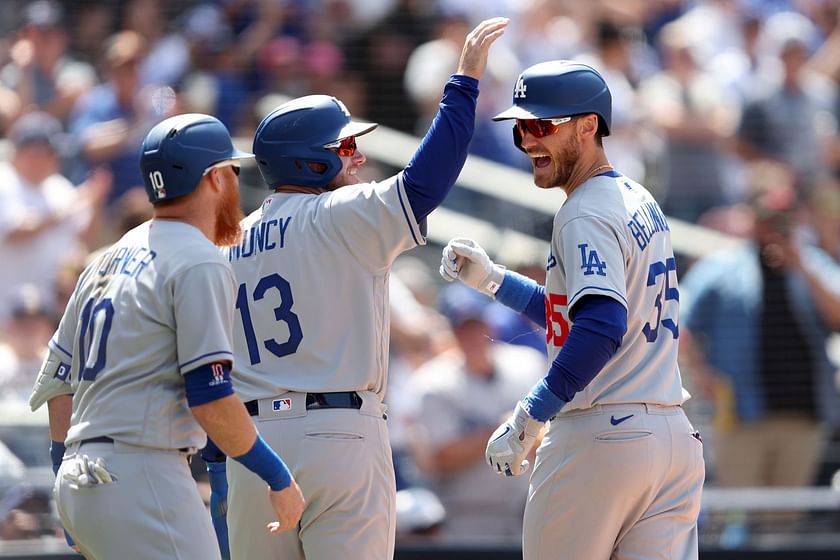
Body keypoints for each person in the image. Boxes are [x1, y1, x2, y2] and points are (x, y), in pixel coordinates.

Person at [213, 17, 508, 560]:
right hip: (338, 434)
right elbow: (428, 179)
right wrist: (463, 84)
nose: (358, 156)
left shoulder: (227, 243)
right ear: (313, 158)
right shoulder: (340, 213)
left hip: (252, 446)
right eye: (346, 145)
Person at [439, 60, 705, 559]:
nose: (528, 141)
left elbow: (601, 327)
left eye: (542, 126)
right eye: (521, 128)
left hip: (602, 439)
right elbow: (581, 316)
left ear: (588, 126)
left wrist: (529, 416)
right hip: (670, 439)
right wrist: (496, 281)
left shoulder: (583, 210)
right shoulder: (636, 197)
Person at [27, 113, 304, 559]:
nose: (237, 184)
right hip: (141, 472)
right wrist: (277, 476)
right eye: (232, 172)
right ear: (213, 178)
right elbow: (211, 399)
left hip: (82, 477)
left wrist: (65, 475)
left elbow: (60, 383)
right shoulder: (200, 260)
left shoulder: (105, 258)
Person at [409, 283, 545, 539]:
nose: (472, 336)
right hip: (467, 515)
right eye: (462, 328)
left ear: (489, 325)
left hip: (528, 508)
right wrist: (504, 429)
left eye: (477, 325)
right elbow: (442, 458)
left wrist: (522, 431)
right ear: (450, 332)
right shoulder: (433, 382)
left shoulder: (527, 364)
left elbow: (551, 431)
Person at [0, 111, 110, 321]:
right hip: (7, 312)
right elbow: (17, 231)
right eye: (43, 152)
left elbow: (87, 237)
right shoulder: (4, 181)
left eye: (52, 152)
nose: (51, 158)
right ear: (23, 152)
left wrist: (97, 202)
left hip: (51, 313)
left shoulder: (59, 187)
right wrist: (66, 209)